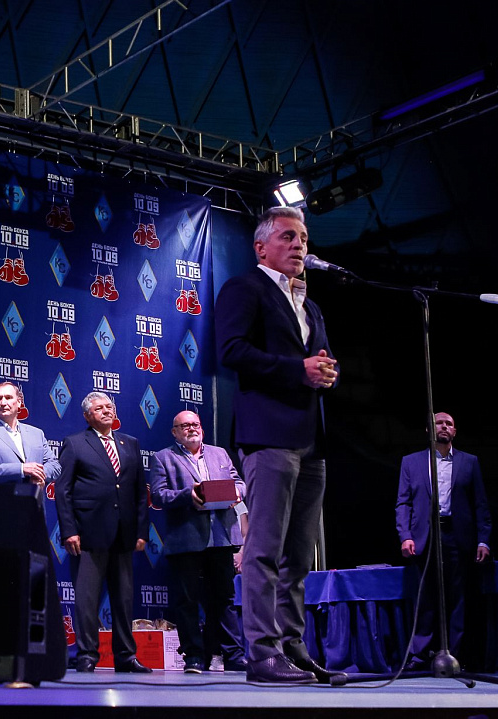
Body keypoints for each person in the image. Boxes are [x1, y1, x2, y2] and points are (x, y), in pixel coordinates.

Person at [215, 206, 338, 684]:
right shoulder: (245, 288)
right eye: (287, 236)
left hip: (311, 439)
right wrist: (297, 370)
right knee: (264, 550)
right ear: (261, 247)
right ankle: (262, 654)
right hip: (269, 435)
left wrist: (327, 371)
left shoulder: (310, 304)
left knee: (298, 556)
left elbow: (319, 358)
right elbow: (231, 351)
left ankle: (293, 647)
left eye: (303, 238)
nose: (299, 245)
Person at [55, 392, 150, 674]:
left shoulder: (130, 443)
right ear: (87, 416)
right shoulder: (75, 443)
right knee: (87, 600)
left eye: (109, 406)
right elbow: (63, 490)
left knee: (124, 599)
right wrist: (69, 530)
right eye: (99, 408)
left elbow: (140, 492)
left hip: (124, 533)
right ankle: (86, 655)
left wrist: (141, 531)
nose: (106, 411)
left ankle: (126, 656)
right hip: (88, 534)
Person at [151, 410, 246, 673]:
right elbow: (158, 496)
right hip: (186, 539)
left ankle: (233, 655)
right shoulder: (163, 458)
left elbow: (239, 482)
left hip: (221, 537)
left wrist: (237, 493)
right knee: (187, 601)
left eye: (195, 424)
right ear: (175, 432)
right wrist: (187, 495)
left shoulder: (220, 453)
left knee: (225, 599)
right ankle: (194, 656)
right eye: (185, 426)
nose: (192, 429)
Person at [396, 411, 492, 670]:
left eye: (449, 424)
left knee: (458, 598)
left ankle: (454, 655)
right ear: (429, 429)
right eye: (439, 423)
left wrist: (483, 540)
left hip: (457, 536)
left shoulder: (469, 462)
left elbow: (480, 504)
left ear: (455, 431)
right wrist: (405, 535)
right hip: (425, 536)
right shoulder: (411, 462)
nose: (444, 426)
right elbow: (403, 502)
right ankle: (420, 656)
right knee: (425, 597)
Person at [0, 382, 60, 488]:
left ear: (19, 402)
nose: (3, 403)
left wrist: (37, 475)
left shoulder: (37, 434)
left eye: (8, 397)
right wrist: (21, 469)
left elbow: (55, 466)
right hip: (1, 497)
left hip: (33, 498)